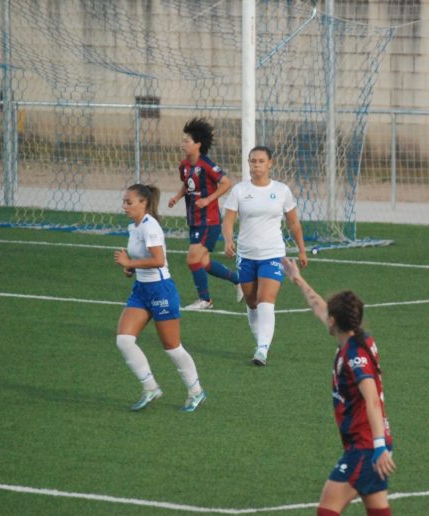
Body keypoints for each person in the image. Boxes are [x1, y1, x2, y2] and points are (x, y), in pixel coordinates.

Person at [282, 257, 396, 516]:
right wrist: (297, 279)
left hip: (367, 447)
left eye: (329, 316)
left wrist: (378, 447)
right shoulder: (355, 337)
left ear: (334, 321)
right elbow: (319, 307)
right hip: (372, 444)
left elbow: (372, 400)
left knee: (327, 509)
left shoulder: (355, 357)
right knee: (378, 509)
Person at [114, 183, 207, 412]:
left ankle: (196, 391)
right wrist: (130, 269)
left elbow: (159, 260)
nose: (124, 205)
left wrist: (130, 263)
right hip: (141, 290)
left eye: (129, 201)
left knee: (172, 347)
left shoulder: (150, 226)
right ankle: (150, 387)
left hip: (160, 290)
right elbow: (142, 260)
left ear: (143, 203)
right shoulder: (133, 227)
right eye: (124, 201)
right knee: (124, 340)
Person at [222, 145, 308, 365]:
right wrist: (229, 240)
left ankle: (262, 350)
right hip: (246, 254)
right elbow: (229, 220)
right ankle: (260, 340)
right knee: (251, 302)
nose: (256, 165)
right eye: (253, 161)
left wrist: (301, 249)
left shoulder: (281, 191)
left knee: (265, 300)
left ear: (270, 164)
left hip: (273, 253)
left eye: (261, 161)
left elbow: (293, 223)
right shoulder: (240, 191)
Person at [168, 117, 241, 311]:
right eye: (183, 140)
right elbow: (187, 184)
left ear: (198, 144)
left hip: (209, 221)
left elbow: (226, 182)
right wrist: (177, 197)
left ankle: (205, 300)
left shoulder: (206, 164)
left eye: (187, 141)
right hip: (194, 220)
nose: (183, 144)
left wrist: (208, 200)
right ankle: (238, 280)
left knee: (192, 259)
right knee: (205, 263)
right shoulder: (184, 166)